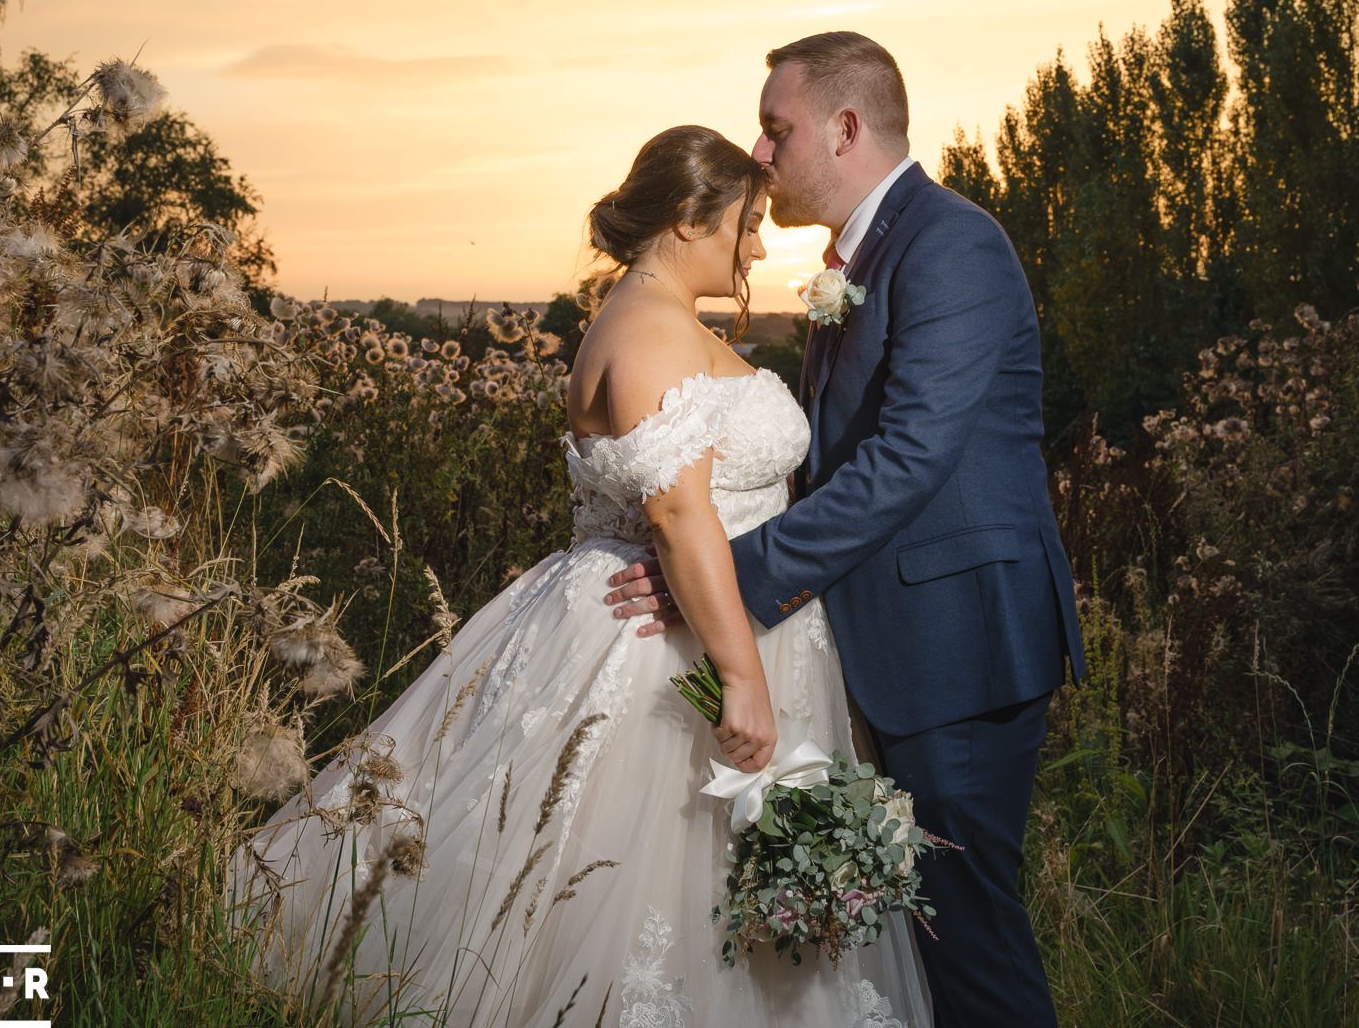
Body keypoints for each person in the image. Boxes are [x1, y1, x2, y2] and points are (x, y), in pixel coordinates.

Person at [225, 124, 932, 1026]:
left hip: (721, 621)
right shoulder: (646, 332)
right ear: (687, 216)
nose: (756, 246)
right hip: (666, 647)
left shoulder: (654, 320)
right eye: (744, 224)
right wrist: (743, 680)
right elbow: (679, 516)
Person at [606, 32, 1087, 1028]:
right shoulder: (857, 259)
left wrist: (720, 576)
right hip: (884, 647)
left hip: (961, 645)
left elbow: (907, 459)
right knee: (913, 935)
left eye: (777, 129)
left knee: (969, 936)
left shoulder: (951, 243)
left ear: (845, 127)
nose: (762, 152)